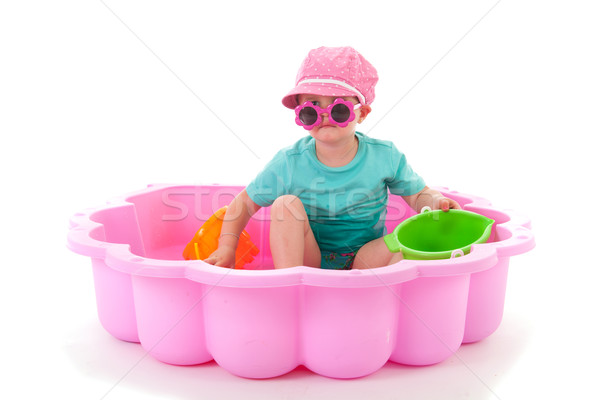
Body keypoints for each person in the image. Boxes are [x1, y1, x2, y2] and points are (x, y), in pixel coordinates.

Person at [204, 46, 461, 270]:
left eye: (338, 109)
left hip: (366, 257)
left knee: (404, 244)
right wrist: (227, 247)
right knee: (284, 205)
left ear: (362, 114)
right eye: (311, 109)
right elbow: (243, 204)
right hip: (308, 259)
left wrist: (434, 202)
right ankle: (291, 284)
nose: (325, 116)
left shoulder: (385, 156)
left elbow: (417, 196)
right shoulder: (289, 161)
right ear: (300, 113)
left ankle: (379, 291)